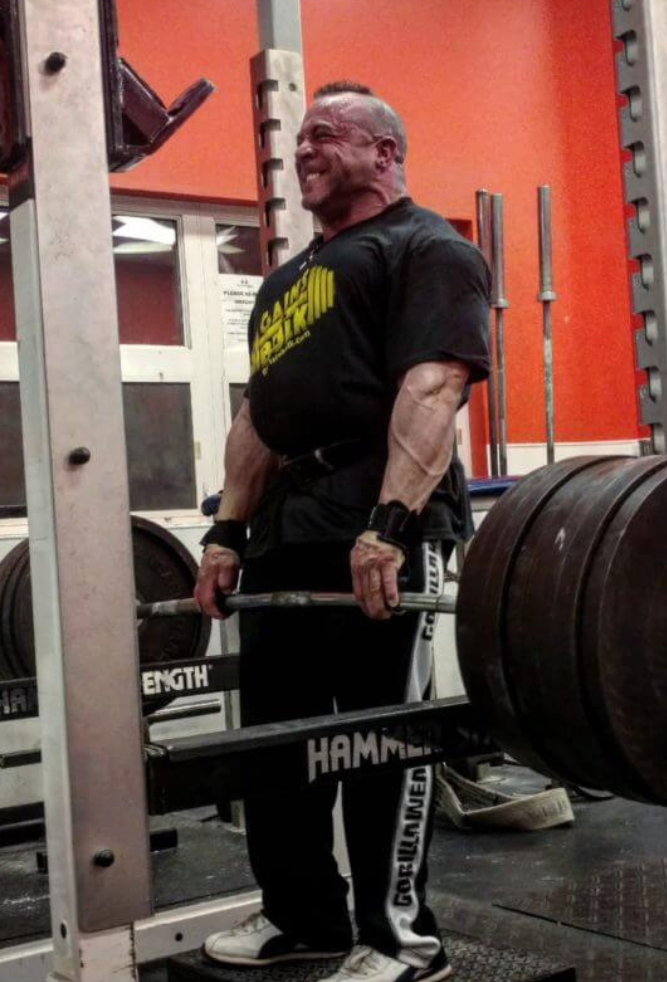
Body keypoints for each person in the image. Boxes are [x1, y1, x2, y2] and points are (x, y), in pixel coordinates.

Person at [194, 80, 491, 982]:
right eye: (300, 142)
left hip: (377, 530)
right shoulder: (288, 279)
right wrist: (225, 534)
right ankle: (303, 917)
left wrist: (390, 525)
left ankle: (400, 939)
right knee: (276, 745)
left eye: (326, 134)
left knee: (381, 741)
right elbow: (260, 418)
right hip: (289, 533)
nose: (304, 151)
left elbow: (433, 387)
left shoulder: (426, 248)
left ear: (385, 152)